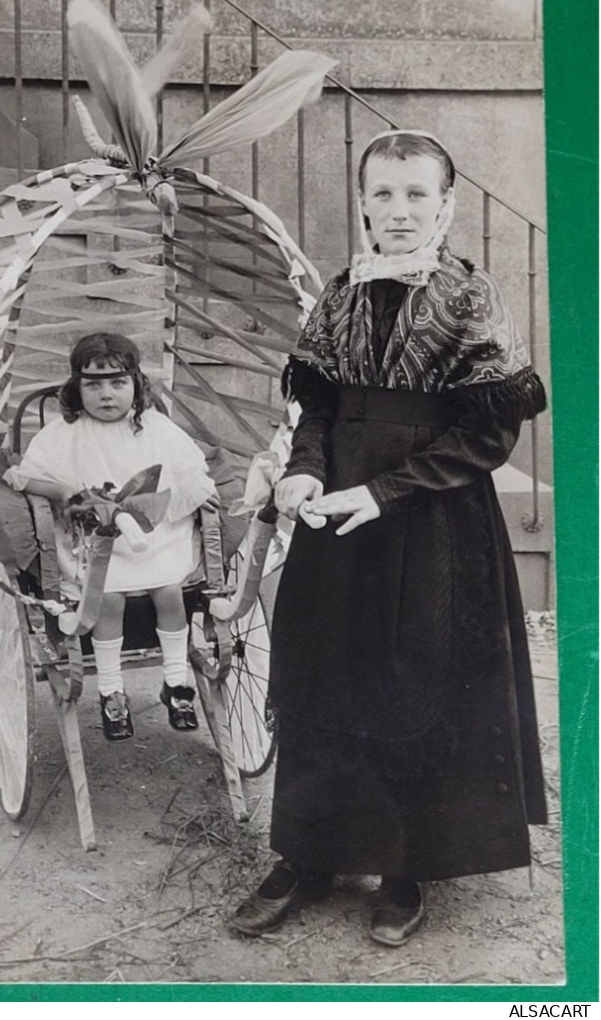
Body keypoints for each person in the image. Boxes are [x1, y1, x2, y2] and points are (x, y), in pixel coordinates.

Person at [230, 129, 548, 946]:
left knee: (414, 682)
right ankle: (306, 855)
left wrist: (383, 489)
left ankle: (406, 869)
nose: (398, 211)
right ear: (362, 201)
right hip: (334, 518)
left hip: (431, 519)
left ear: (444, 203)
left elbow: (486, 436)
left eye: (416, 194)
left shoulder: (469, 299)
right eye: (383, 194)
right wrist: (303, 469)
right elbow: (320, 408)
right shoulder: (338, 295)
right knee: (320, 674)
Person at [4, 332, 217, 741]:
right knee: (108, 597)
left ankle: (176, 682)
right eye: (93, 385)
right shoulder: (67, 432)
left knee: (171, 590)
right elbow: (24, 476)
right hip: (94, 543)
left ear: (136, 384)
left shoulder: (154, 427)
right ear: (76, 388)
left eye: (118, 383)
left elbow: (191, 473)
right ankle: (111, 690)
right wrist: (65, 490)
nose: (106, 395)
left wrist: (185, 499)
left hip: (154, 535)